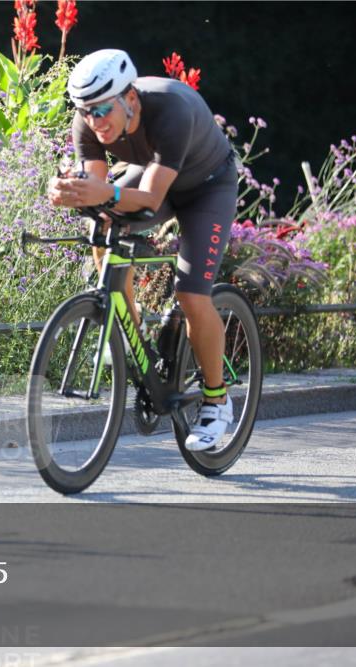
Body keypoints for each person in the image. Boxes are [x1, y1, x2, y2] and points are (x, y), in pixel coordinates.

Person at [47, 49, 239, 452]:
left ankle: (216, 401)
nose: (95, 121)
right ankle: (130, 333)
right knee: (103, 222)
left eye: (102, 109)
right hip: (157, 175)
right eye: (86, 111)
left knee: (191, 295)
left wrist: (107, 191)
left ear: (130, 99)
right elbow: (99, 192)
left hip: (206, 186)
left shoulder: (171, 109)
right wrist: (72, 192)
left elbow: (150, 197)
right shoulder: (86, 124)